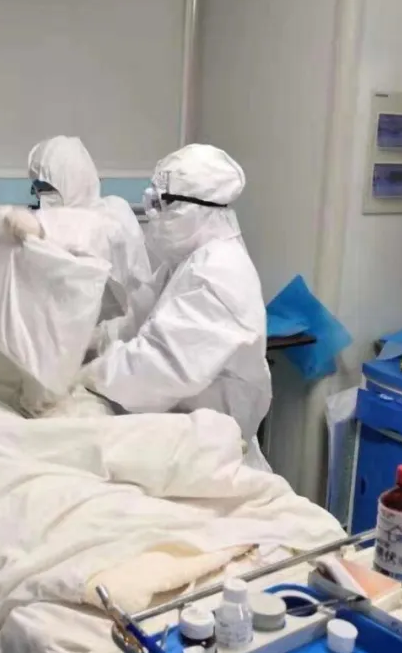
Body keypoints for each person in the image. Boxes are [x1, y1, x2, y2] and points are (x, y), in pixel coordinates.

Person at [82, 144, 272, 470]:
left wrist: (88, 374)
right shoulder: (187, 262)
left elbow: (157, 368)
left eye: (163, 204)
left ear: (201, 207)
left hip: (212, 454)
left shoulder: (218, 273)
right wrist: (92, 341)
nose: (153, 215)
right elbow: (139, 320)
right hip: (185, 437)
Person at [3, 136, 153, 331]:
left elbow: (92, 233)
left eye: (45, 187)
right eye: (36, 187)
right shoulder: (52, 223)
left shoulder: (113, 212)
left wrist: (42, 228)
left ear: (72, 182)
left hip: (119, 331)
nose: (37, 194)